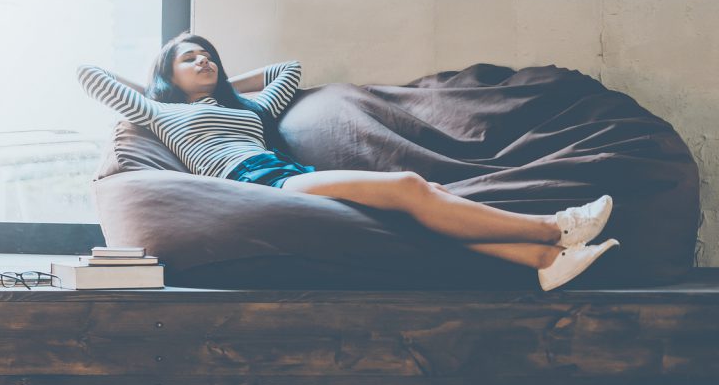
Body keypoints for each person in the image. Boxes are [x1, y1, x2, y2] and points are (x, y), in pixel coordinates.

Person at [76, 31, 620, 291]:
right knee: (410, 186)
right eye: (190, 58)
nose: (205, 61)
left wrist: (223, 85)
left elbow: (286, 69)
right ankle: (556, 228)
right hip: (254, 185)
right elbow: (89, 76)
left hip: (287, 178)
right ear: (166, 75)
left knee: (419, 211)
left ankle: (542, 264)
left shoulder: (249, 110)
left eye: (210, 54)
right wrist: (160, 84)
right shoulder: (160, 114)